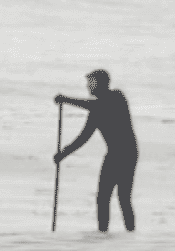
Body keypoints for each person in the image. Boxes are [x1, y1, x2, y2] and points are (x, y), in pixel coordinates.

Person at [54, 69, 139, 232]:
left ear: (100, 84)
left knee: (123, 198)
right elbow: (83, 138)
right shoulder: (95, 111)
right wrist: (63, 154)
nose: (88, 86)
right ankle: (102, 234)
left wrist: (66, 99)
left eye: (91, 83)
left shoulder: (117, 97)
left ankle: (131, 233)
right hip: (113, 154)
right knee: (102, 198)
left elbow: (98, 104)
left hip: (128, 153)